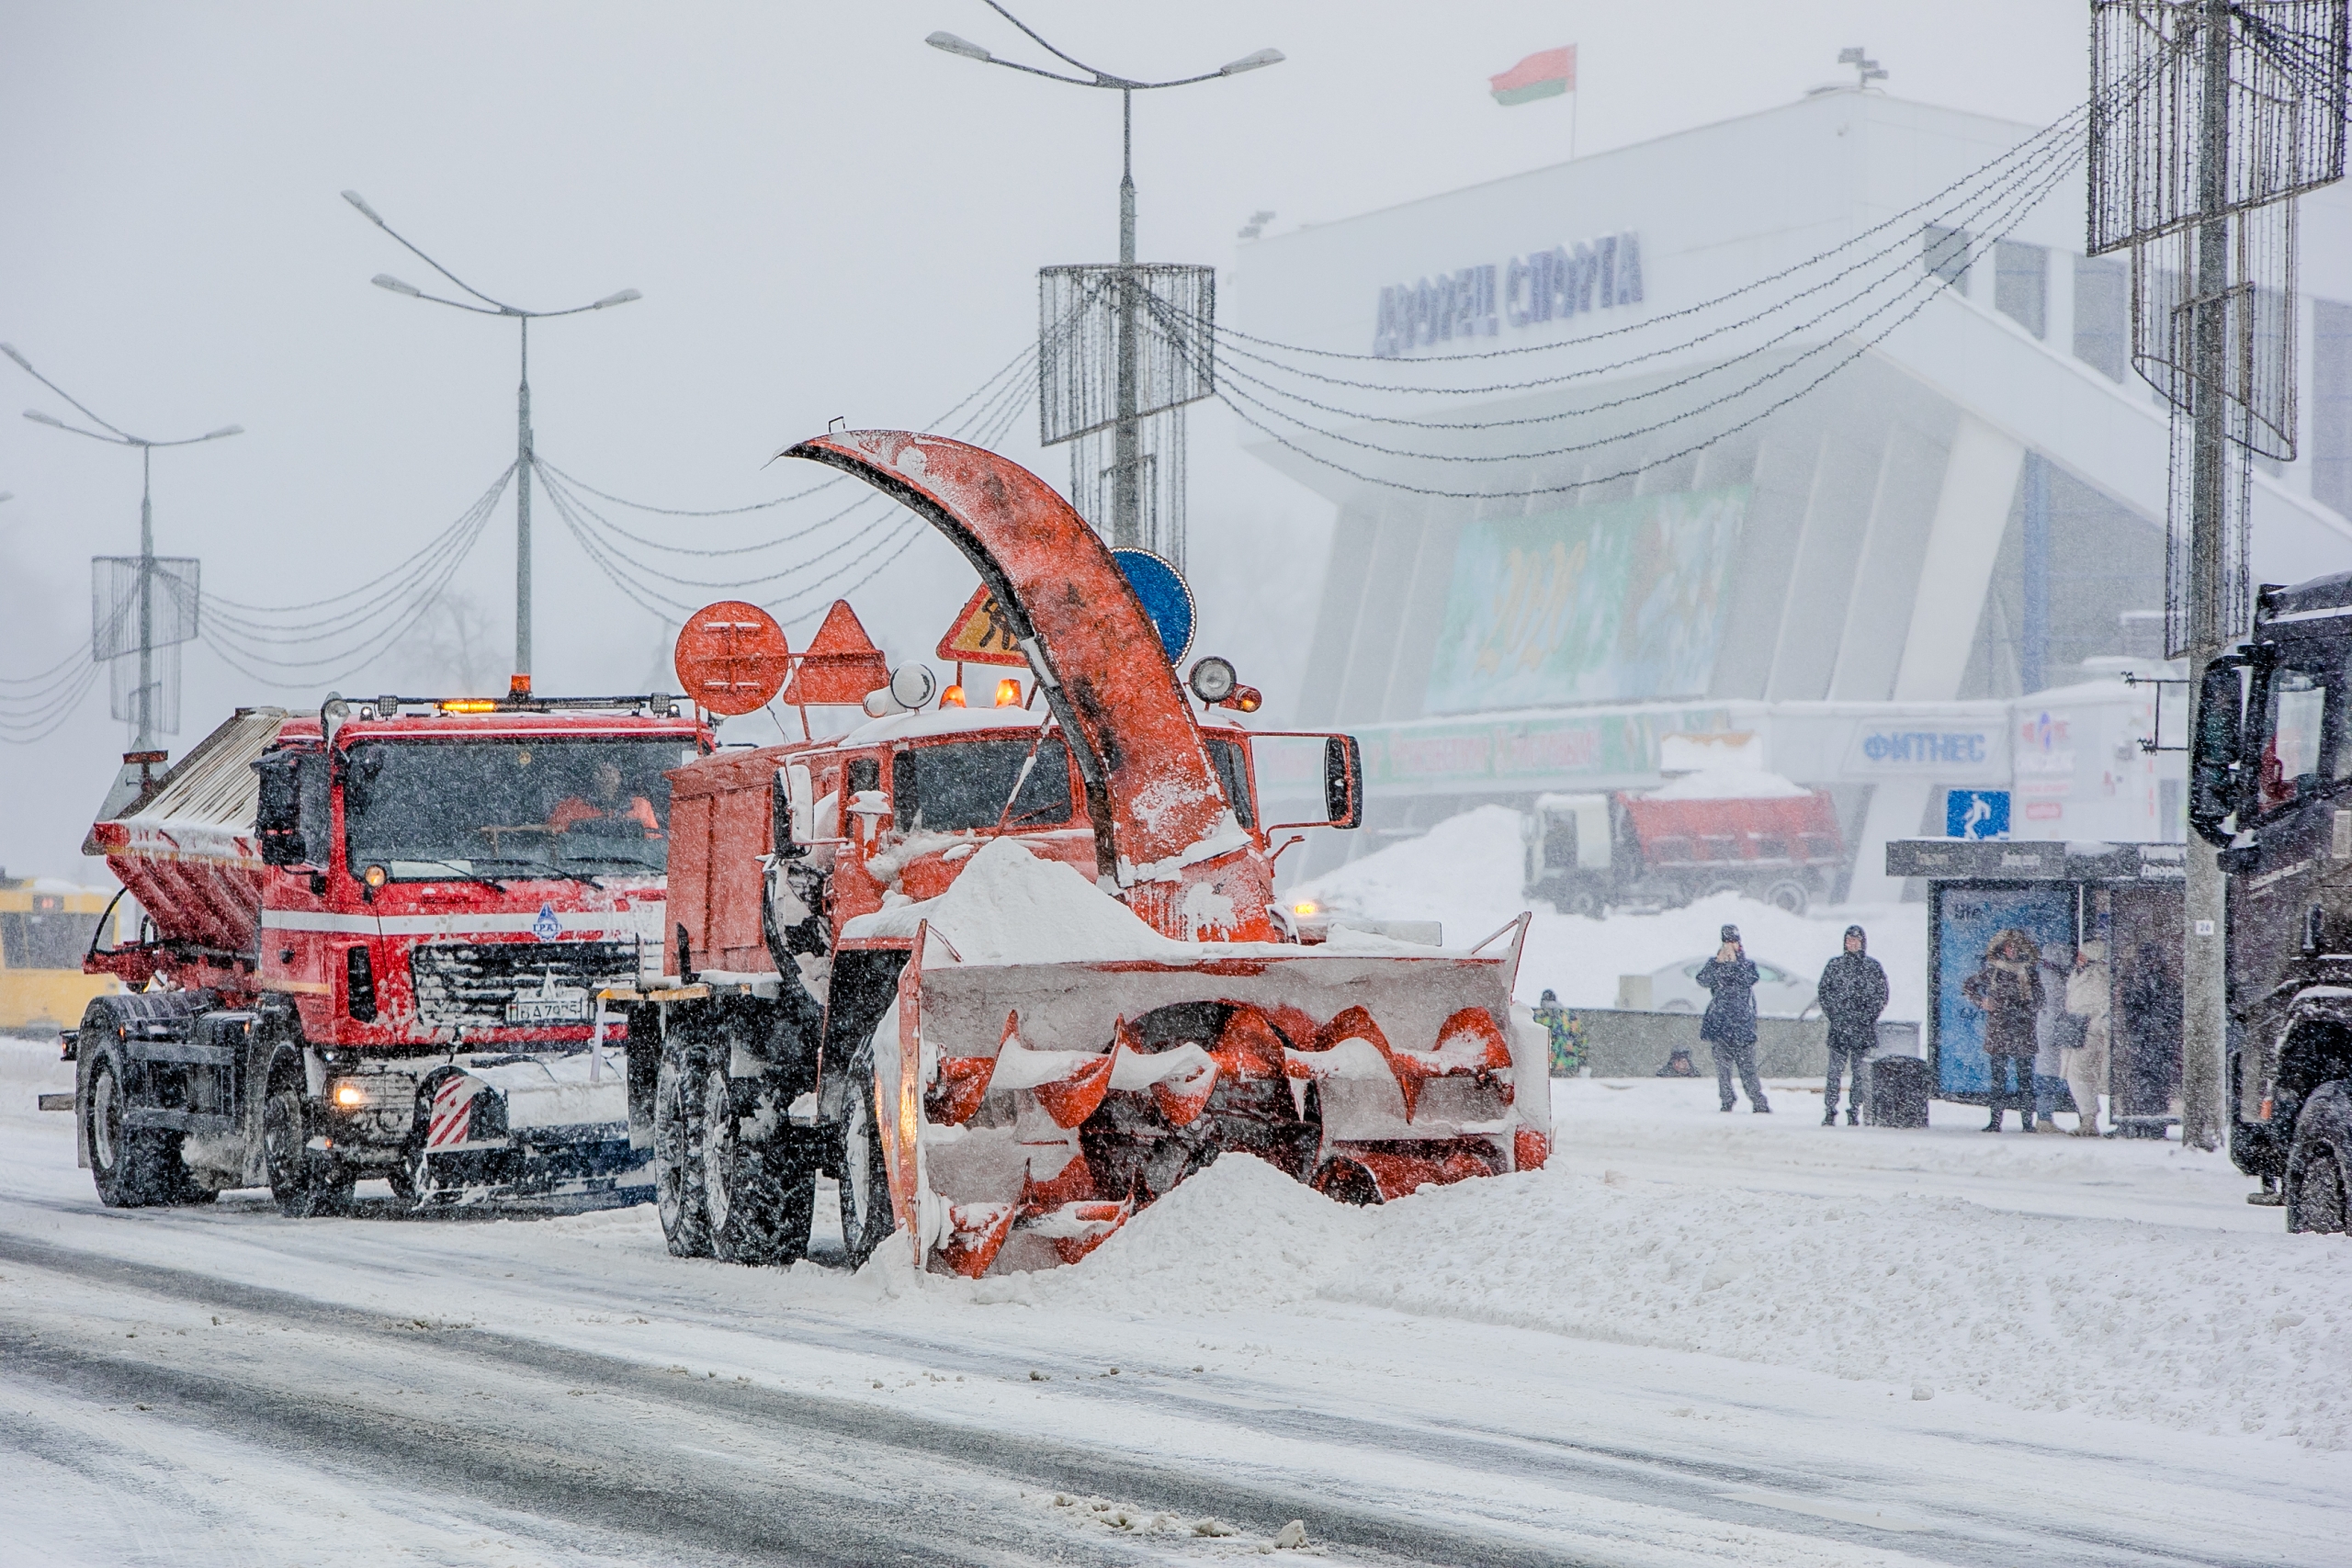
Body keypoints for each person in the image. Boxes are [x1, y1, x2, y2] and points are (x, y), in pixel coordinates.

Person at [1962, 929, 2044, 1132]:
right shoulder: (1993, 970)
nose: (2012, 951)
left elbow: (2041, 998)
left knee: (2025, 1080)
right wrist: (1982, 1002)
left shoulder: (2029, 972)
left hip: (2022, 1030)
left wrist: (2025, 1008)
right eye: (2009, 947)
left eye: (2016, 947)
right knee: (1998, 1080)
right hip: (2000, 1030)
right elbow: (1968, 986)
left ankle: (2027, 1123)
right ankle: (1996, 1121)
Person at [1815, 924, 1887, 1126]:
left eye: (1855, 940)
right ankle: (1830, 1109)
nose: (1852, 944)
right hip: (1839, 1029)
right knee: (1834, 1073)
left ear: (1862, 943)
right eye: (1849, 940)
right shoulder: (1835, 965)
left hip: (1862, 1030)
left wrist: (1867, 1017)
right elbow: (1824, 992)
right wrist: (1835, 1015)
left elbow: (1881, 996)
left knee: (1859, 1075)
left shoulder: (1872, 967)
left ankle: (1854, 1109)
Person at [1699, 924, 1770, 1113]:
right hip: (1720, 1025)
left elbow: (1748, 979)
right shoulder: (1715, 963)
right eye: (1727, 942)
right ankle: (1727, 1100)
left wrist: (1733, 963)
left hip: (1742, 1027)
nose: (1731, 946)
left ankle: (1758, 1101)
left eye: (1734, 942)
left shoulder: (1747, 965)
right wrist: (1718, 963)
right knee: (1723, 1070)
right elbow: (1702, 980)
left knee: (1748, 1070)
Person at [2064, 938, 2112, 1136]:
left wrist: (2094, 1022)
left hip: (2092, 1030)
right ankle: (2088, 1117)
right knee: (2077, 1074)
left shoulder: (2100, 976)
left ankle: (2089, 1118)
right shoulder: (2079, 973)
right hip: (2079, 1029)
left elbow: (2101, 1003)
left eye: (2083, 954)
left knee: (2080, 1073)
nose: (2078, 957)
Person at [2031, 941, 2078, 1134]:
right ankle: (2044, 1117)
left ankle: (2044, 1116)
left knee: (2048, 1073)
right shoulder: (2053, 978)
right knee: (2051, 1074)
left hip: (2047, 1028)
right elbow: (2059, 1004)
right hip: (2053, 1029)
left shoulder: (2044, 975)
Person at [548, 760, 661, 837]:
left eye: (610, 771)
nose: (606, 778)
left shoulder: (639, 805)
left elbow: (652, 843)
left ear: (620, 776)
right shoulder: (569, 808)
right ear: (591, 778)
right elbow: (553, 842)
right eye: (600, 772)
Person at [1532, 989, 1584, 1076]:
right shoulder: (1570, 1015)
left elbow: (1534, 1037)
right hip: (1569, 1063)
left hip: (1547, 1063)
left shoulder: (1539, 1016)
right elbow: (1580, 1038)